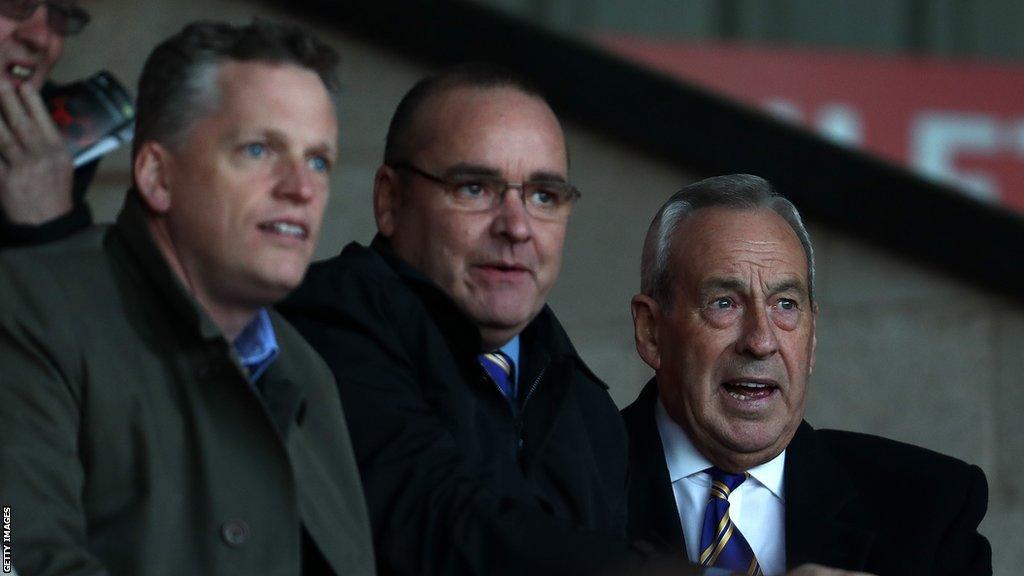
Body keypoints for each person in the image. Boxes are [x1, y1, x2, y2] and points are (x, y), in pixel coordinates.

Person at [0, 20, 375, 575]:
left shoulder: (307, 369)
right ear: (156, 175)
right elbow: (12, 557)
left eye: (318, 160)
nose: (301, 188)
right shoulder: (27, 304)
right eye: (258, 149)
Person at [279, 64, 661, 576]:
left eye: (544, 196)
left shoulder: (590, 410)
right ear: (390, 201)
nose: (517, 227)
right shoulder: (320, 328)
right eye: (475, 188)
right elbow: (442, 524)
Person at [624, 174, 991, 575]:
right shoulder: (561, 483)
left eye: (785, 304)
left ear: (812, 337)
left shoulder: (930, 505)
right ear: (651, 331)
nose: (761, 341)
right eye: (724, 303)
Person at [0, 0, 98, 248]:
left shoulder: (55, 143)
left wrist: (52, 227)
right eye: (15, 4)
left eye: (59, 15)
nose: (41, 38)